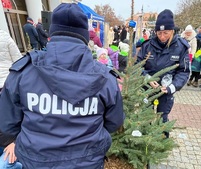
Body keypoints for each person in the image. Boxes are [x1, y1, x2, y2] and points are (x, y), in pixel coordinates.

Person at [0, 3, 125, 169]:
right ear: (84, 36)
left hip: (36, 162)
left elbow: (7, 124)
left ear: (51, 33)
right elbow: (114, 123)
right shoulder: (105, 77)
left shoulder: (23, 73)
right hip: (87, 161)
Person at [136, 9, 190, 138]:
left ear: (172, 31)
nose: (162, 36)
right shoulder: (147, 45)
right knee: (145, 116)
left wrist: (172, 87)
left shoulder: (181, 47)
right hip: (148, 89)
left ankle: (162, 142)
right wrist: (147, 78)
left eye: (166, 33)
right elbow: (137, 66)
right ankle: (143, 141)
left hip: (166, 91)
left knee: (162, 117)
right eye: (159, 33)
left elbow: (184, 71)